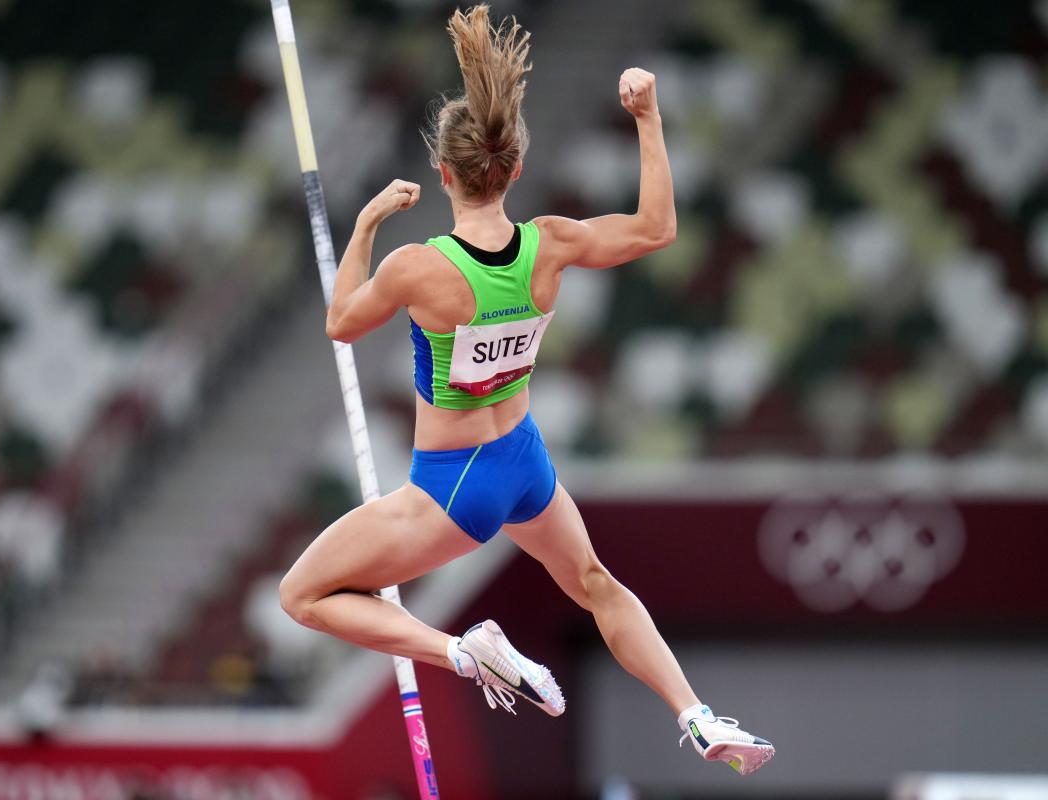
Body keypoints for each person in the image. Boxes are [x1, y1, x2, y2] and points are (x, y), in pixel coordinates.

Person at [279, 4, 774, 776]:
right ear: (512, 171)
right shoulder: (552, 243)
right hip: (523, 462)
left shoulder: (419, 267)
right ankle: (696, 715)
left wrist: (368, 224)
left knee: (303, 596)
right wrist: (648, 118)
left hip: (452, 488)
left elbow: (341, 322)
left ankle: (464, 653)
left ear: (445, 174)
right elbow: (655, 228)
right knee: (598, 585)